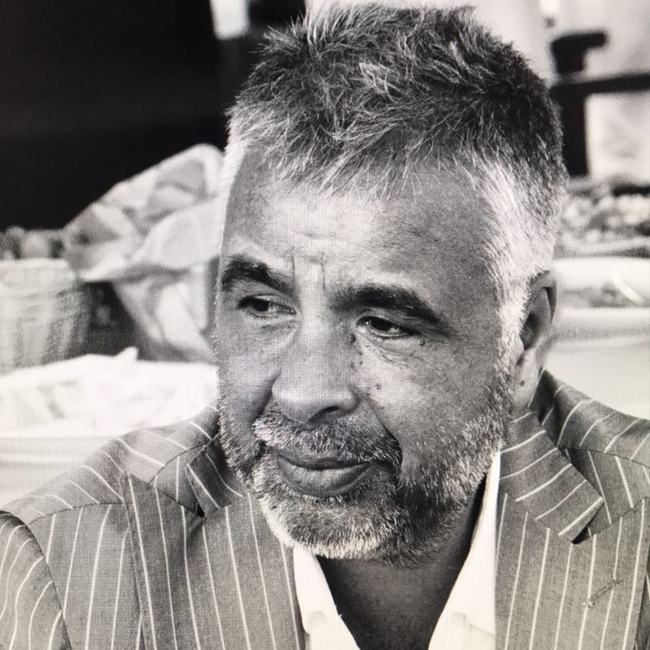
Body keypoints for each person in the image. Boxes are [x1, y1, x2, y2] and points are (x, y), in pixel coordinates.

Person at [1, 6, 649, 650]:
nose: (302, 394)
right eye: (263, 306)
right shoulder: (67, 580)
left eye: (383, 323)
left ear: (524, 339)